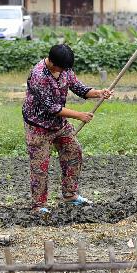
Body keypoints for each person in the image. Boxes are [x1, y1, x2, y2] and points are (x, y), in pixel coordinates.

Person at [22, 43, 112, 215]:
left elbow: (79, 88)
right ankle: (38, 206)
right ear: (53, 63)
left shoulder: (65, 70)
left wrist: (99, 92)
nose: (64, 72)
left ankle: (70, 195)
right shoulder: (39, 75)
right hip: (38, 126)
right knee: (40, 166)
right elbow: (52, 108)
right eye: (62, 68)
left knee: (74, 152)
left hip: (59, 124)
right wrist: (79, 115)